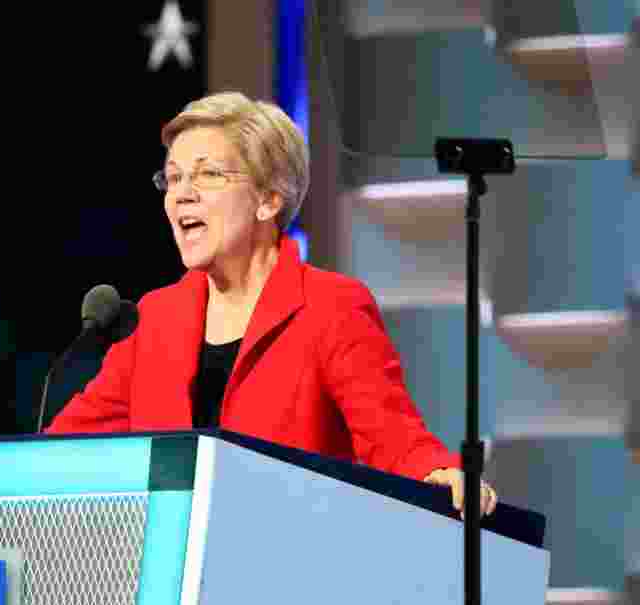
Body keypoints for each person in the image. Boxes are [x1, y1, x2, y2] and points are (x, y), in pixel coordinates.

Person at [46, 91, 496, 519]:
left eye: (207, 174)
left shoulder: (330, 307)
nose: (182, 193)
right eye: (174, 177)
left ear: (268, 199)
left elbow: (392, 435)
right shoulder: (154, 319)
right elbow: (64, 450)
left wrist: (437, 471)